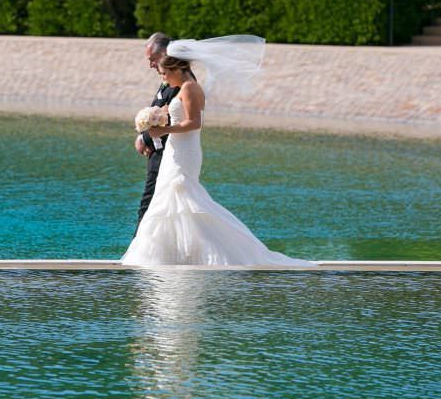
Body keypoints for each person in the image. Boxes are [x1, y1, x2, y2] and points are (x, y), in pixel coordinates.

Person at [122, 36, 312, 267]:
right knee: (169, 198)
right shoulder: (179, 86)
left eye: (164, 73)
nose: (162, 77)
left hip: (185, 150)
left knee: (183, 196)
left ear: (175, 67)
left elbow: (195, 123)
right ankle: (171, 253)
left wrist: (162, 130)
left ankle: (219, 251)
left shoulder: (191, 87)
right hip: (174, 149)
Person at [133, 32, 179, 236]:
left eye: (153, 59)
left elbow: (167, 114)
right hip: (158, 150)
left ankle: (137, 250)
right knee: (156, 204)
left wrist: (144, 137)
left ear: (164, 55)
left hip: (168, 153)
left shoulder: (180, 82)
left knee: (150, 203)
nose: (151, 64)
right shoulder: (168, 78)